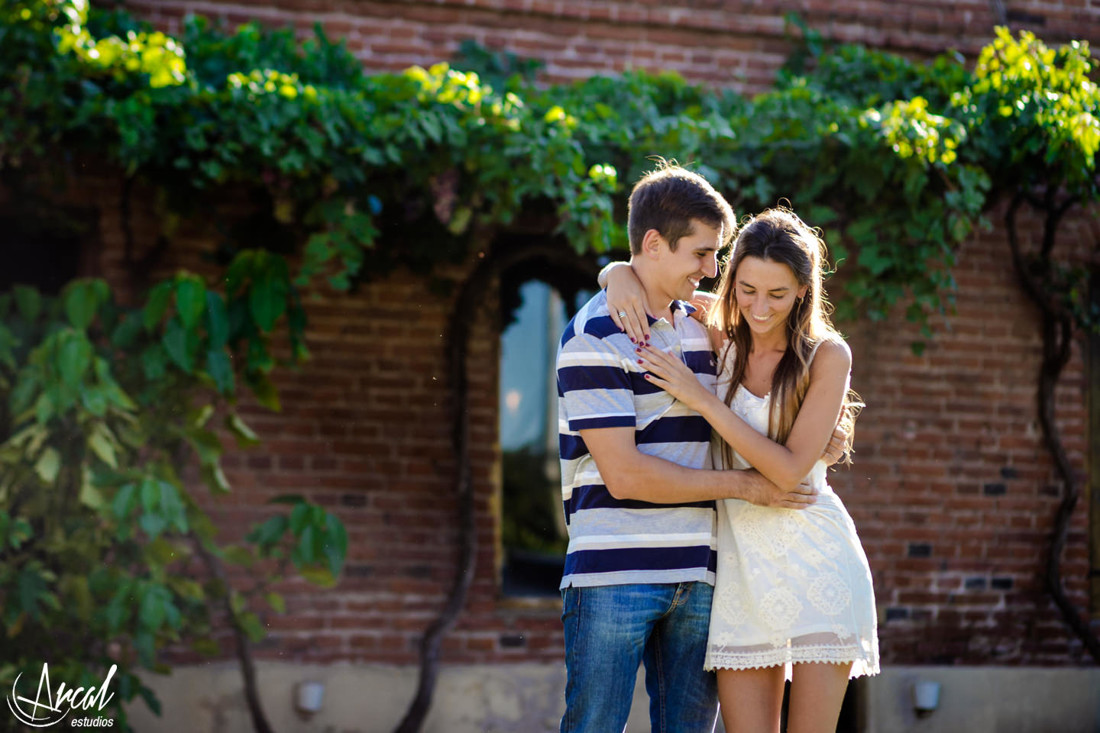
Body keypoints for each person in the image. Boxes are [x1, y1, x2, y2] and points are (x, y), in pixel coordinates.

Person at [555, 163, 846, 733]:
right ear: (655, 244)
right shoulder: (594, 334)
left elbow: (772, 367)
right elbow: (625, 476)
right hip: (616, 575)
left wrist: (817, 439)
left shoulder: (703, 326)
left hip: (705, 572)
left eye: (718, 257)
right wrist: (615, 273)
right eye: (702, 255)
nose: (712, 270)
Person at [607, 206, 879, 733]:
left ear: (803, 290)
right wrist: (614, 273)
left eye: (777, 295)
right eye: (747, 289)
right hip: (740, 570)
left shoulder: (827, 355)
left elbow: (788, 471)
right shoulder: (718, 331)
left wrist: (702, 400)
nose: (758, 307)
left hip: (816, 560)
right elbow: (648, 277)